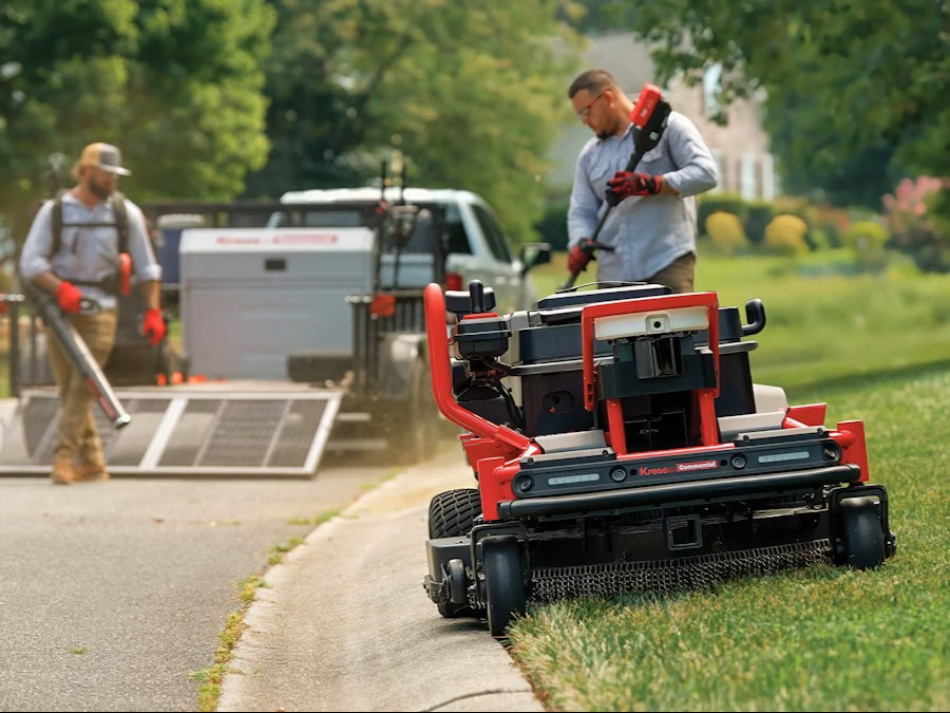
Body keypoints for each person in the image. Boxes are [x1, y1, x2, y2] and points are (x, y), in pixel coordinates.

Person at [19, 142, 164, 485]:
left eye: (114, 175)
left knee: (85, 384)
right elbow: (31, 262)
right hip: (60, 309)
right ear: (85, 172)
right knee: (68, 386)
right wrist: (60, 289)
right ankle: (93, 462)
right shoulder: (56, 211)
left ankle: (63, 457)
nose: (111, 180)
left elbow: (147, 269)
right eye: (104, 174)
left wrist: (152, 311)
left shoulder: (124, 213)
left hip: (102, 308)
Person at [566, 69, 719, 293]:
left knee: (674, 318)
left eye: (586, 112)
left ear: (607, 98)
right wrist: (579, 242)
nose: (584, 121)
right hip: (613, 274)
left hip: (665, 262)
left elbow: (706, 173)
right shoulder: (590, 155)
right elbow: (581, 210)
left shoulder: (667, 125)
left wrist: (654, 184)